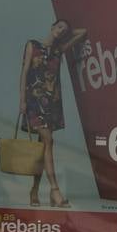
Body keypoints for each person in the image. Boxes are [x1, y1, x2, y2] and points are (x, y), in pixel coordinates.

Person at [19, 18, 87, 208]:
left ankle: (34, 190)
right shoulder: (33, 45)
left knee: (43, 149)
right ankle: (55, 190)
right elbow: (24, 72)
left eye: (64, 30)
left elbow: (82, 32)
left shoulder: (59, 51)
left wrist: (68, 31)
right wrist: (22, 100)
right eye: (58, 27)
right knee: (48, 141)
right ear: (51, 27)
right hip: (34, 102)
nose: (60, 31)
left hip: (52, 105)